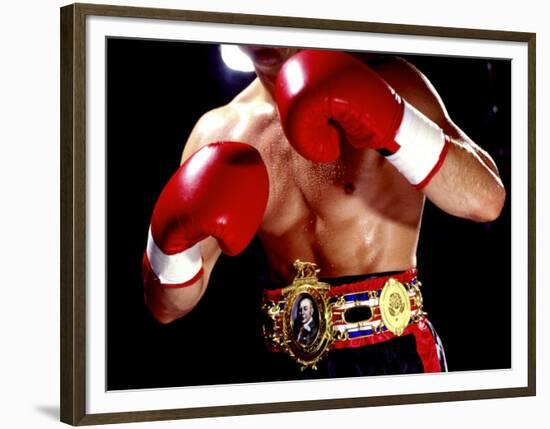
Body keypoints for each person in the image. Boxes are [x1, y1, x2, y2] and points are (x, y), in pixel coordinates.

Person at [141, 46, 506, 378]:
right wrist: (170, 248)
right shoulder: (219, 132)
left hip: (394, 358)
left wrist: (390, 119)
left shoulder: (386, 80)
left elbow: (486, 200)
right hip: (285, 366)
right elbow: (167, 308)